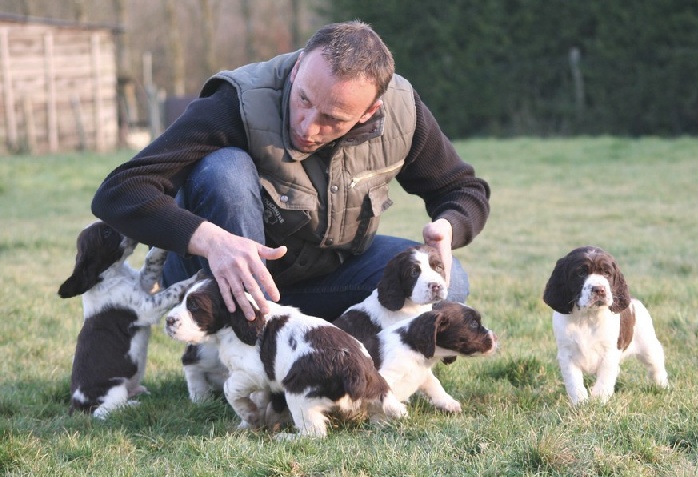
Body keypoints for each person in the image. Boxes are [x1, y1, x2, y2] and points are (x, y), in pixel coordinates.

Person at [92, 20, 490, 322]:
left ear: (370, 111)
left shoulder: (404, 112)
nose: (307, 125)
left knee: (450, 285)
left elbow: (462, 188)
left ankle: (317, 344)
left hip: (326, 274)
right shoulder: (237, 101)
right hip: (218, 276)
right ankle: (244, 338)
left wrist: (449, 225)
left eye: (332, 118)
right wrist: (212, 242)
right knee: (224, 169)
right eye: (303, 99)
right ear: (298, 67)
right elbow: (120, 190)